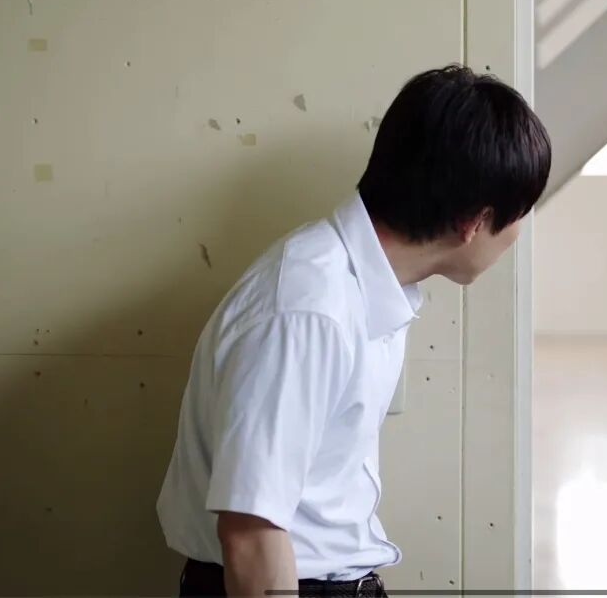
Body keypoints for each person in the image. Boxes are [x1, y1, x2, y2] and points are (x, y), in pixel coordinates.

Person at [156, 65, 551, 597]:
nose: (521, 231)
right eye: (521, 212)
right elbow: (250, 534)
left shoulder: (363, 287)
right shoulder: (309, 309)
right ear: (473, 222)